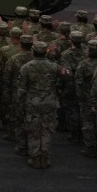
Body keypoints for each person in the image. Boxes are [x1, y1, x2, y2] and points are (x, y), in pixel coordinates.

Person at [17, 41, 63, 169]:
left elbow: (21, 89)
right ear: (46, 51)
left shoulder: (26, 67)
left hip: (33, 103)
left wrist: (20, 105)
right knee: (47, 131)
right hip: (50, 102)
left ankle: (35, 157)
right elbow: (66, 75)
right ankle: (45, 157)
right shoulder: (54, 67)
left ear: (33, 52)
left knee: (34, 131)